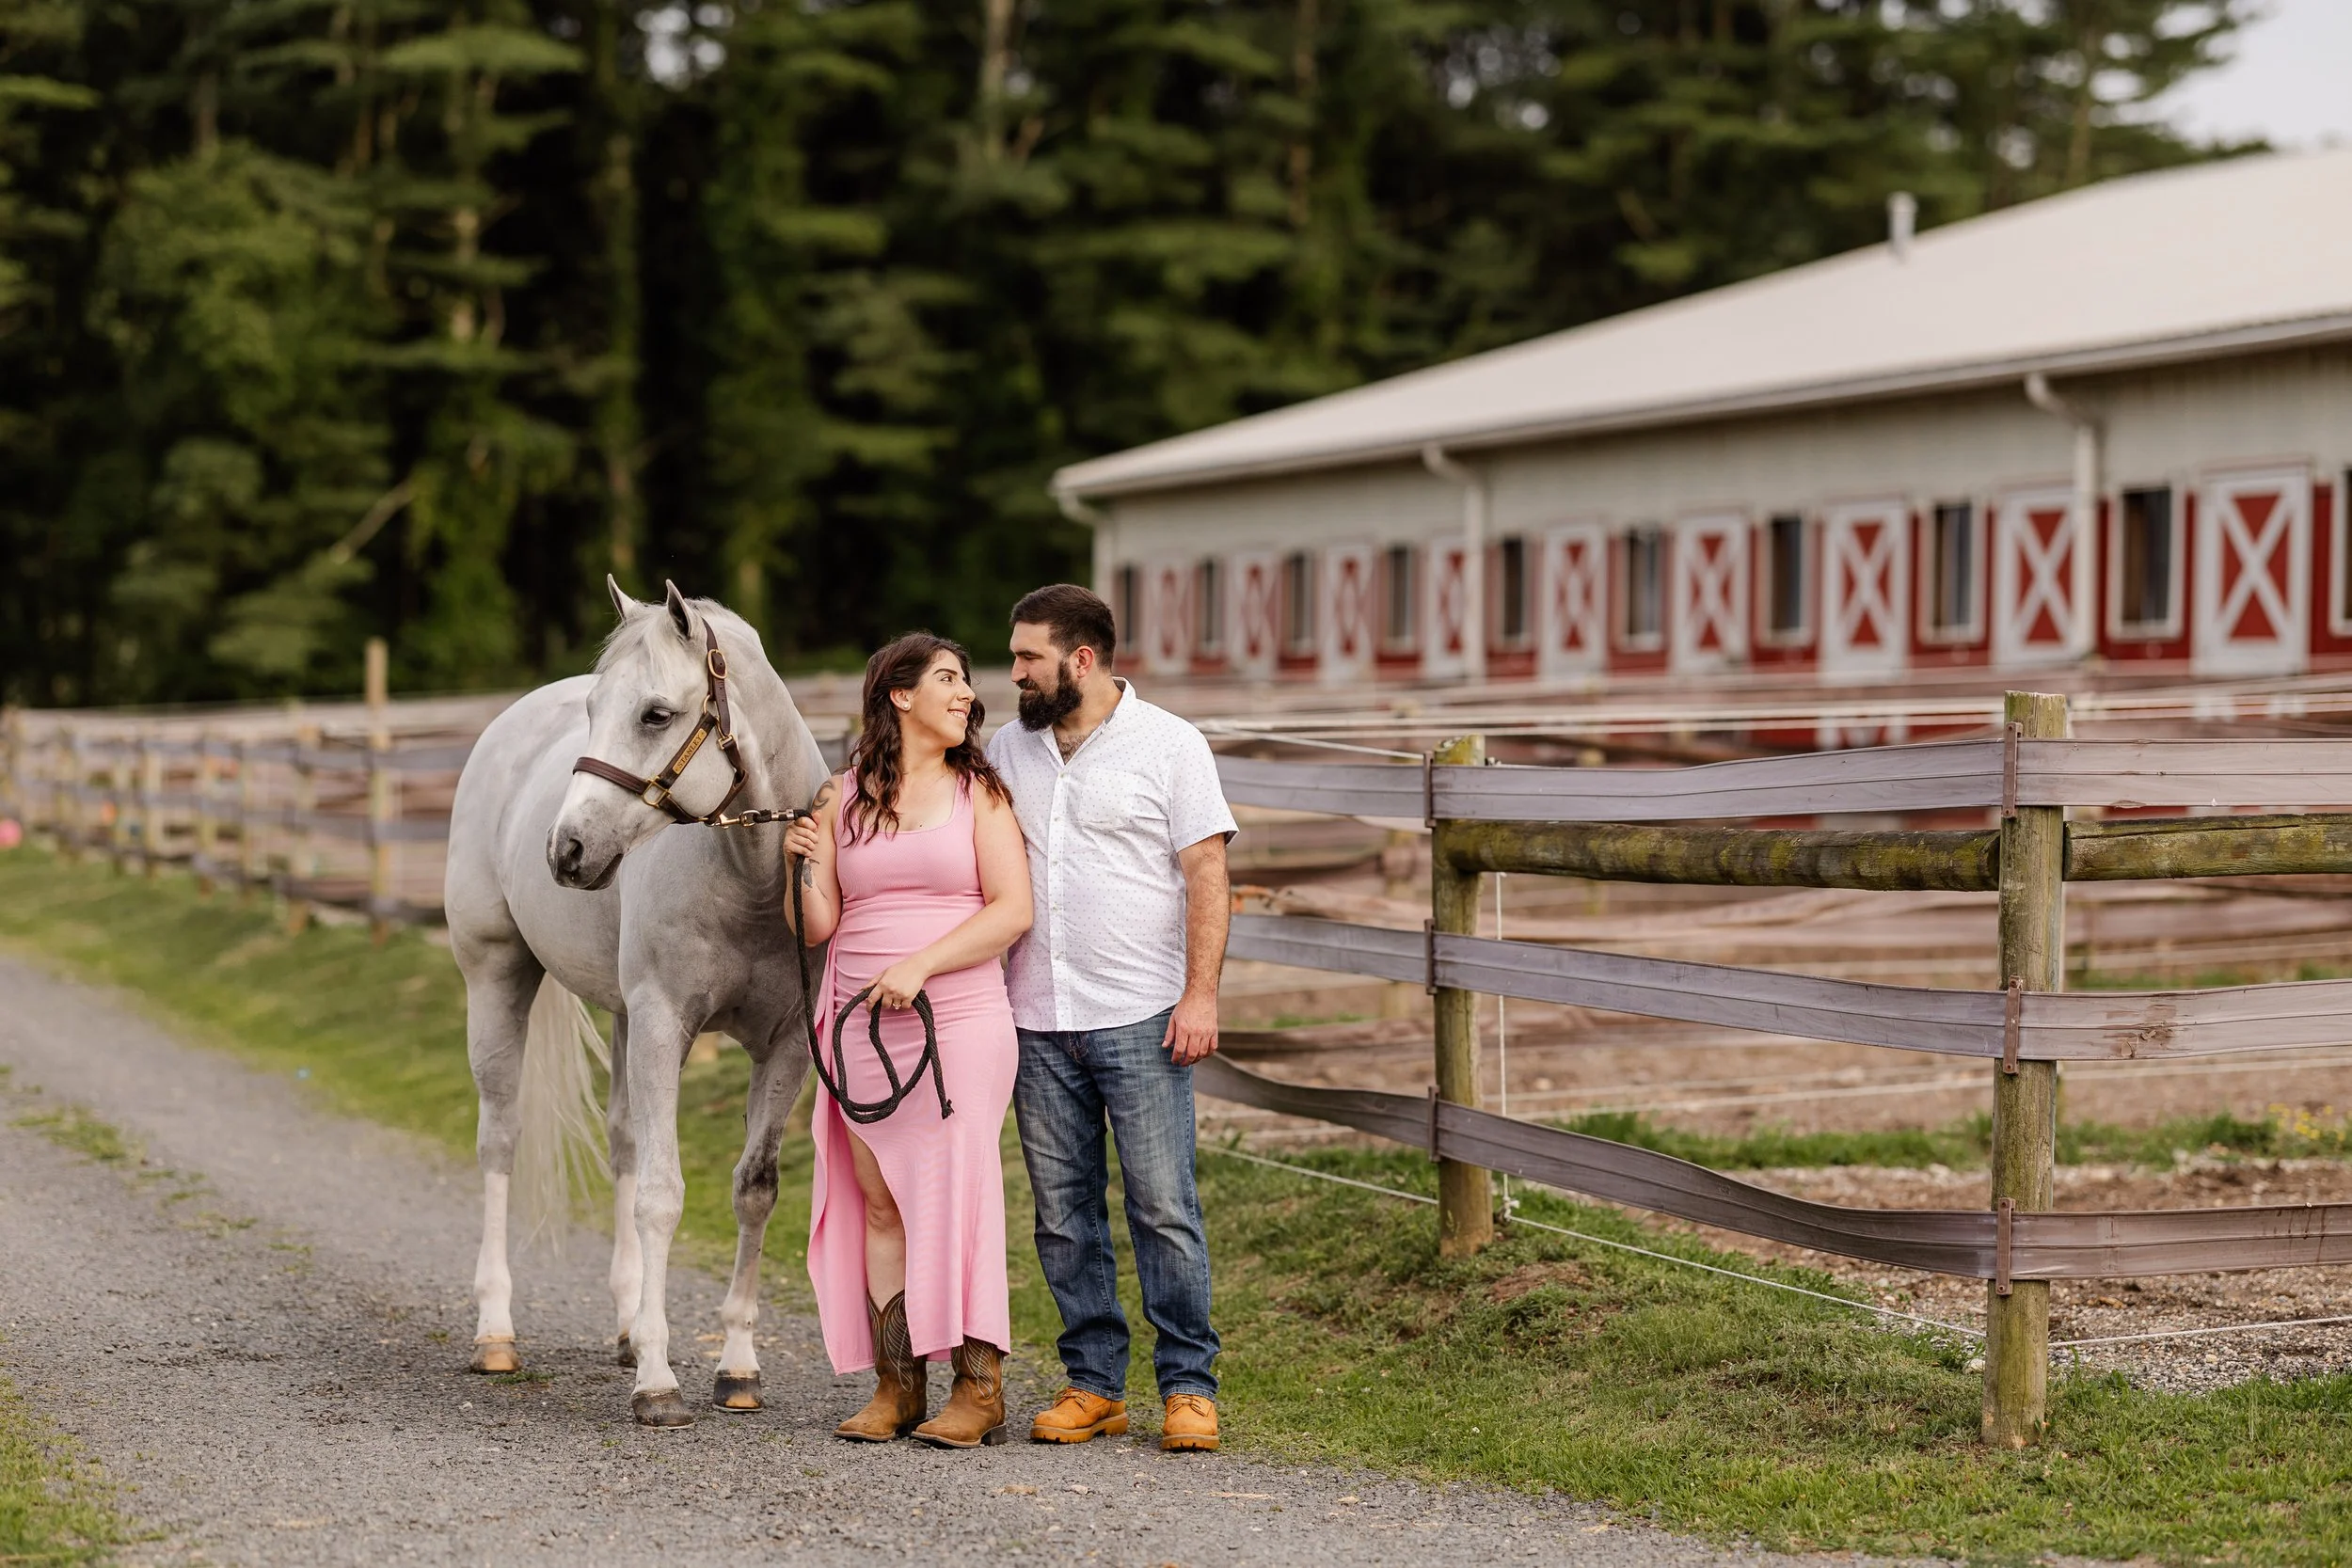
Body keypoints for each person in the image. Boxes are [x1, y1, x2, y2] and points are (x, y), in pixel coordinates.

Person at [986, 583, 1235, 1453]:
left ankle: (1189, 1387)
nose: (1015, 673)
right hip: (1034, 1016)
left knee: (1163, 1205)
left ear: (1080, 659)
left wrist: (1200, 994)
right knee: (1063, 1213)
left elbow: (1207, 874)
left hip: (1141, 1014)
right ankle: (1094, 1383)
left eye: (1029, 657)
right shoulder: (1005, 749)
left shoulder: (1170, 744)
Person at [784, 633, 1033, 1448]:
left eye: (966, 680)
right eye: (948, 678)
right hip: (860, 1025)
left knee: (959, 1196)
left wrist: (922, 964)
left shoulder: (978, 793)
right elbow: (815, 925)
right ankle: (898, 1385)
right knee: (882, 1202)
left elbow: (1012, 909)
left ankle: (979, 1387)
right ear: (899, 694)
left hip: (957, 1016)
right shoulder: (841, 795)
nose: (966, 693)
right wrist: (801, 865)